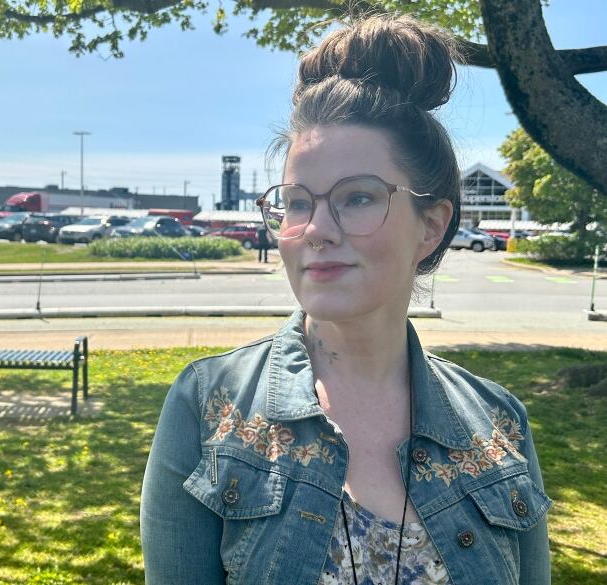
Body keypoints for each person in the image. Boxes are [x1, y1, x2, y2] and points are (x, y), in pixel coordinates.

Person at [140, 14, 551, 585]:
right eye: (299, 202)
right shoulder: (207, 407)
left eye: (357, 198)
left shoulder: (500, 423)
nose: (315, 229)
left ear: (430, 226)